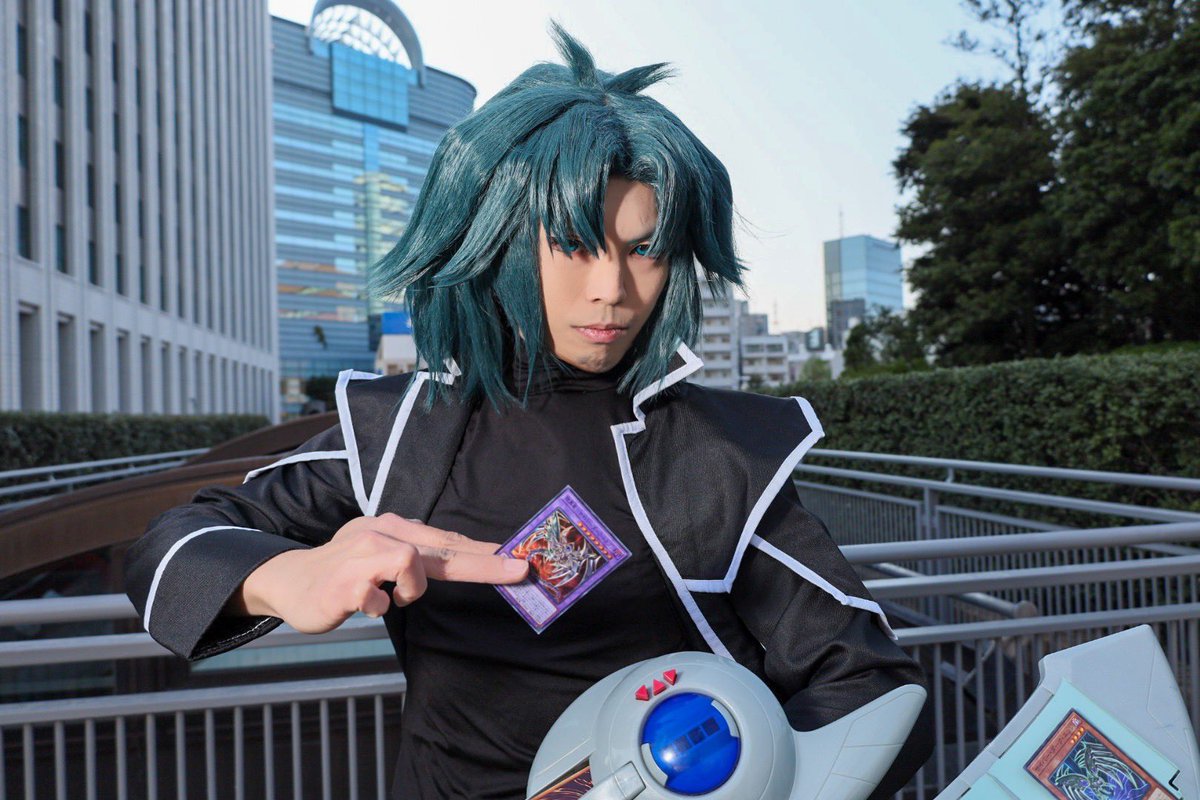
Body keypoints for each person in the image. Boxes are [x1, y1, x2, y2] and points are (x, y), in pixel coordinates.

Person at [125, 23, 932, 800]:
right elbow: (168, 549)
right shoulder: (404, 433)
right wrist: (282, 575)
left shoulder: (712, 453)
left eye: (645, 249)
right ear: (499, 242)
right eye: (575, 244)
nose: (612, 289)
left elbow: (873, 689)